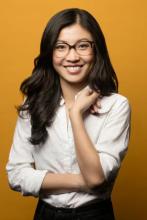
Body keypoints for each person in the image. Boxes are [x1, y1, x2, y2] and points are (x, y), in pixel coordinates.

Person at [6, 8, 131, 220]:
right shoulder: (33, 103)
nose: (72, 57)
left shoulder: (116, 105)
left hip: (95, 215)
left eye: (82, 46)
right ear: (50, 52)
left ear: (96, 50)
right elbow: (16, 174)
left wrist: (75, 115)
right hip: (46, 214)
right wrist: (81, 182)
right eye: (61, 47)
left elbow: (96, 178)